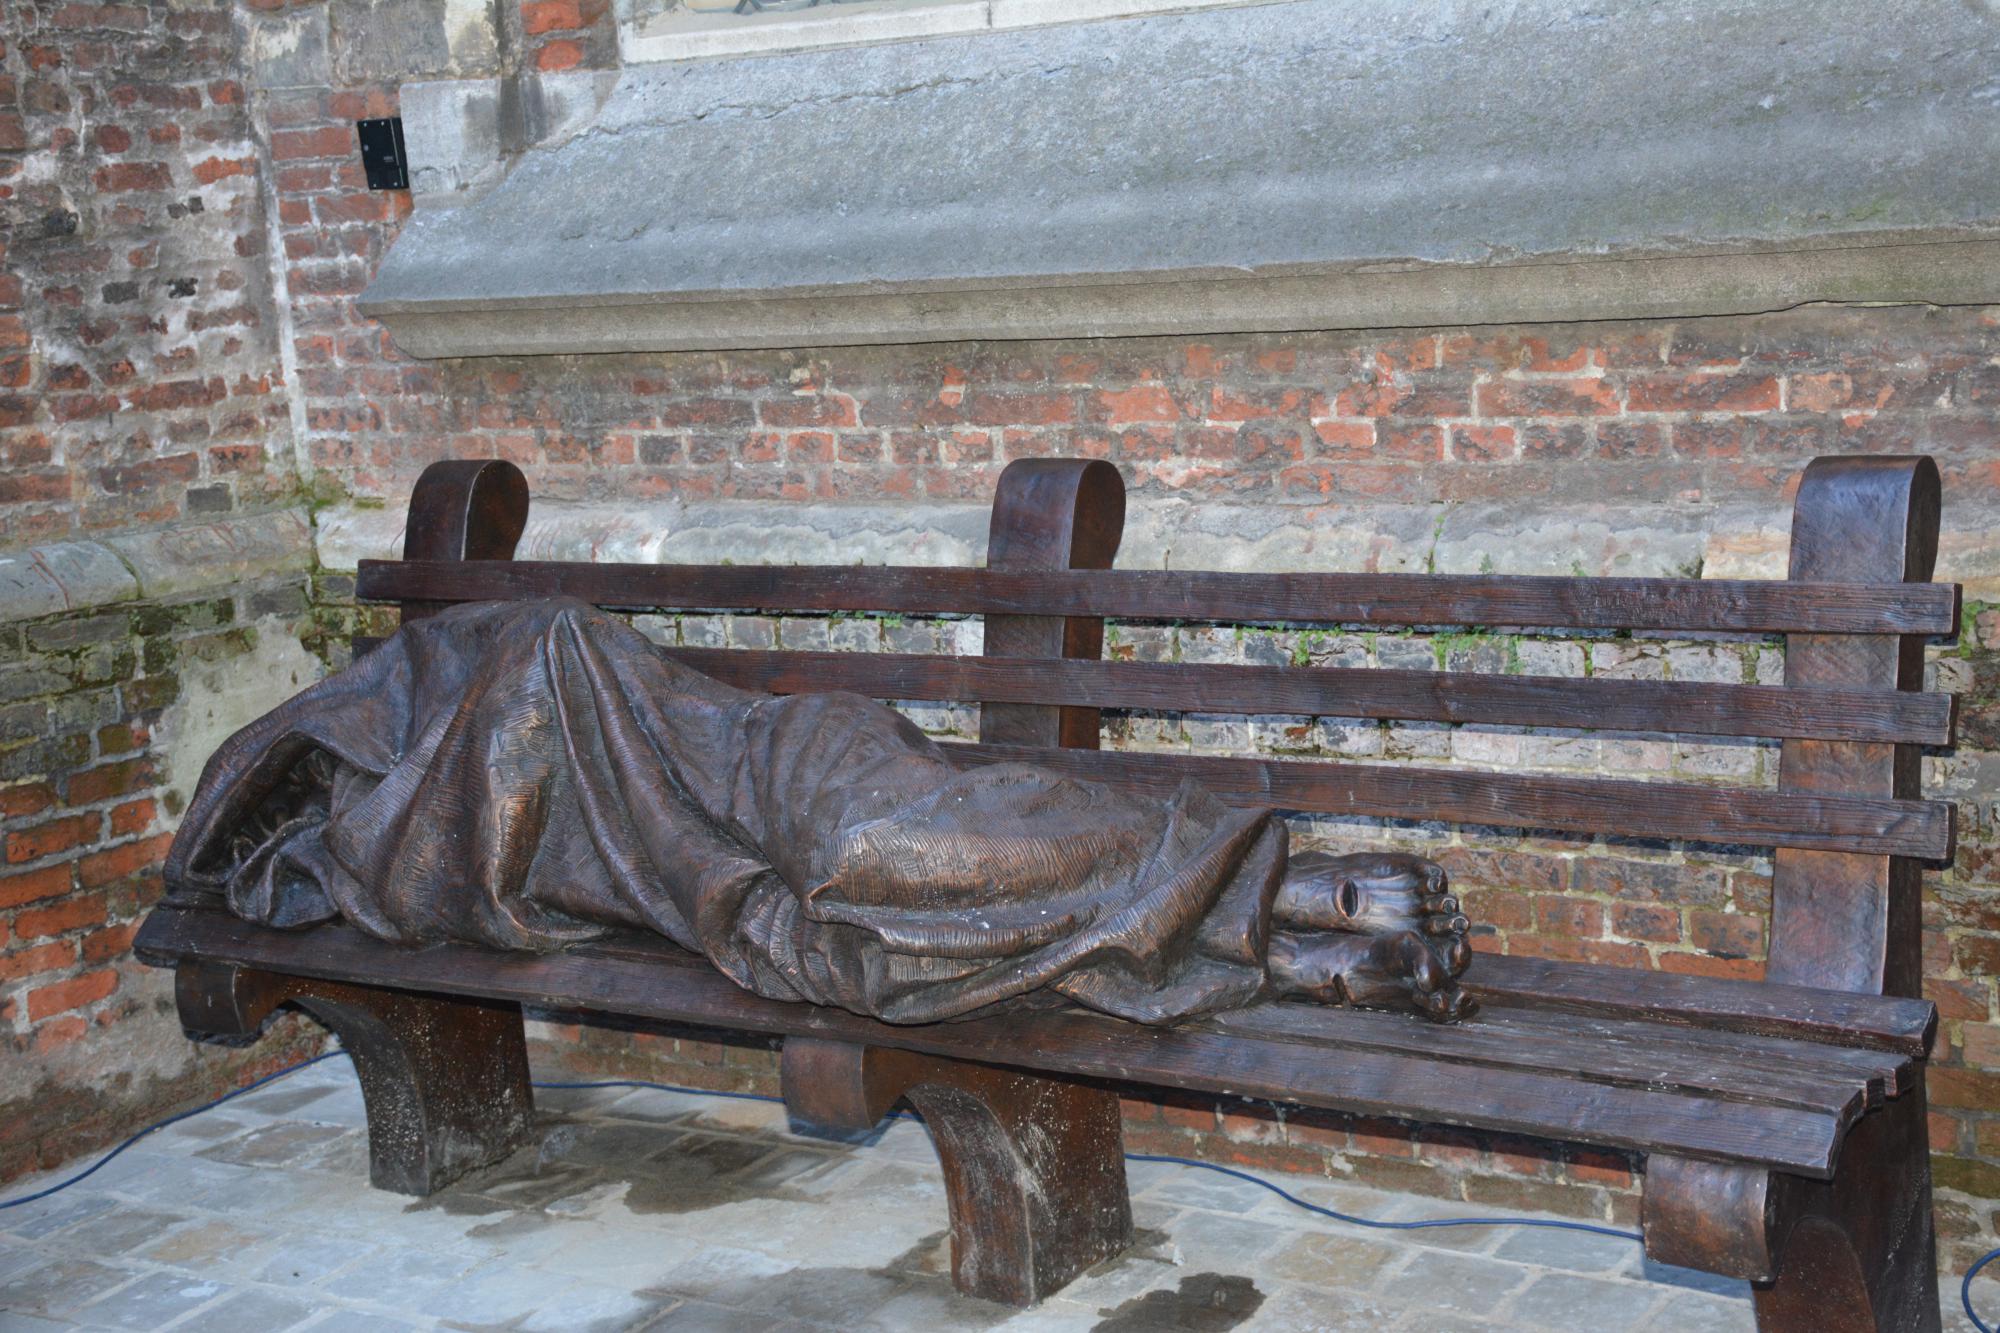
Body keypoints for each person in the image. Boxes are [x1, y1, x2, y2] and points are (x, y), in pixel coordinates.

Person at [165, 598, 1474, 1026]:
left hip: (784, 772)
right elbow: (491, 881)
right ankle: (1286, 949)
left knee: (888, 856)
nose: (310, 818)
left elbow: (551, 689)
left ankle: (1280, 876)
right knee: (875, 954)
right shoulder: (380, 854)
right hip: (713, 894)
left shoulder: (502, 667)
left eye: (302, 782)